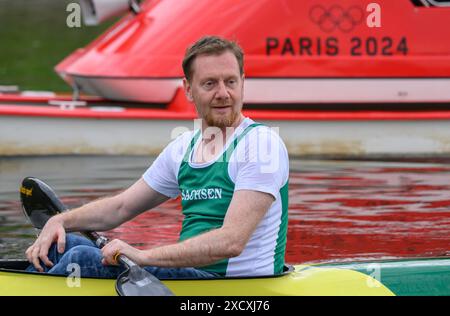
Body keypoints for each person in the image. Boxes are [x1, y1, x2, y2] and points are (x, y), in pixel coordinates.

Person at [26, 36, 289, 279]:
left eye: (230, 81)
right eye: (210, 83)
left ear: (242, 83)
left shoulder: (261, 144)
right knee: (67, 243)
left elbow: (232, 241)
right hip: (191, 277)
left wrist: (142, 257)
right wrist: (60, 220)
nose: (223, 93)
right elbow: (121, 207)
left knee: (81, 258)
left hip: (233, 286)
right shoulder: (183, 147)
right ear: (188, 89)